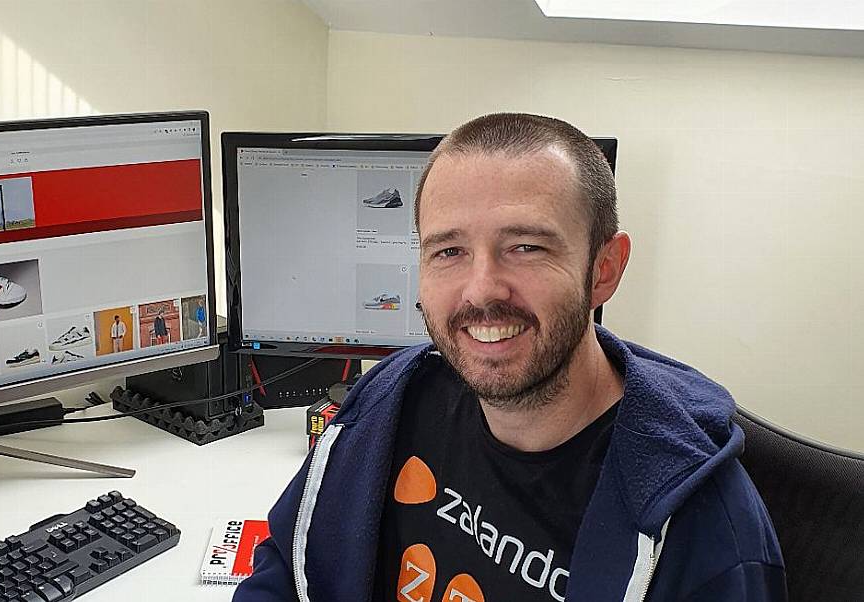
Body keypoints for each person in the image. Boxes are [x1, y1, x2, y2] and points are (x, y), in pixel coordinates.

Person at [233, 114, 786, 601]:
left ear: (604, 269)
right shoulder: (393, 397)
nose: (482, 290)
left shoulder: (705, 535)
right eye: (449, 251)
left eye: (526, 247)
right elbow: (287, 563)